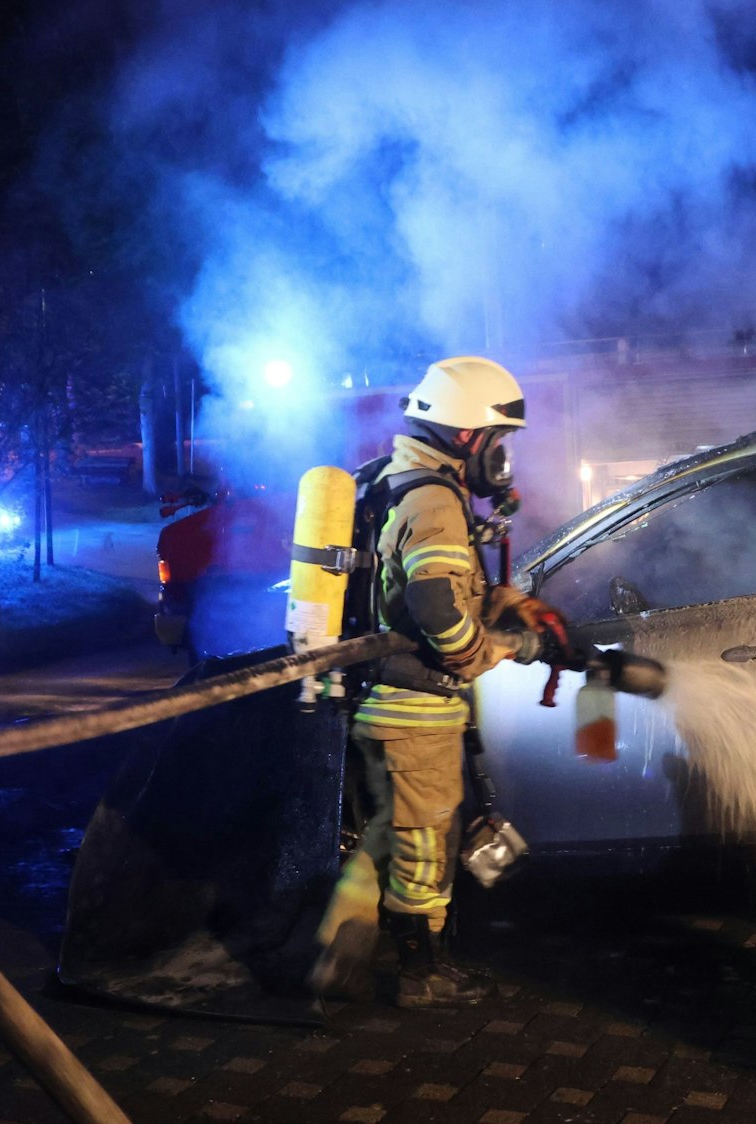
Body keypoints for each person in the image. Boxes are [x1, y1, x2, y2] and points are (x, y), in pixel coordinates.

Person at [310, 356, 568, 1008]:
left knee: (387, 834)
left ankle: (336, 956)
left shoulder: (394, 478)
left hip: (382, 699)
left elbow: (420, 586)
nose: (503, 457)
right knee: (425, 844)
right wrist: (486, 651)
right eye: (499, 441)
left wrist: (503, 600)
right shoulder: (434, 500)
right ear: (467, 435)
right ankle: (423, 973)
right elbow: (433, 605)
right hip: (416, 709)